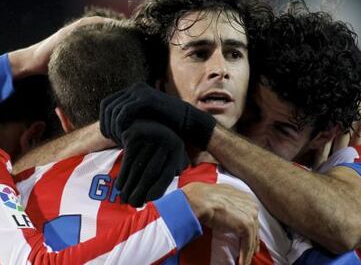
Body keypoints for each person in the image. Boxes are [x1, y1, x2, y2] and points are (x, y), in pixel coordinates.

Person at [100, 0, 361, 264]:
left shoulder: (360, 150)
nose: (253, 138)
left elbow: (346, 224)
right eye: (253, 112)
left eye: (282, 130)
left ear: (323, 135)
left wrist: (202, 128)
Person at [0, 20, 261, 264]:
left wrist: (23, 61)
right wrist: (183, 209)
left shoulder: (21, 184)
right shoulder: (239, 199)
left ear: (63, 119)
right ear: (156, 88)